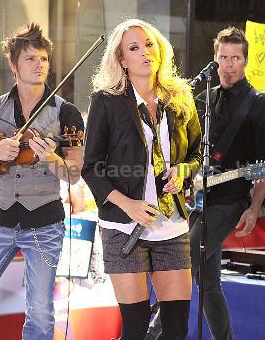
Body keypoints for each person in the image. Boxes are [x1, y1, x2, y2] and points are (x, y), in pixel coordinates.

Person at [81, 18, 202, 340]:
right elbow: (91, 167)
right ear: (122, 60)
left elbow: (196, 155)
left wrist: (184, 171)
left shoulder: (180, 97)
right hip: (123, 226)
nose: (145, 52)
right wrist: (128, 205)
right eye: (134, 48)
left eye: (149, 44)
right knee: (134, 329)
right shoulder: (106, 102)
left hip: (171, 223)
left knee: (176, 330)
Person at [0, 23, 84, 339]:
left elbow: (75, 173)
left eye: (43, 59)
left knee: (40, 312)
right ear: (14, 65)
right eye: (30, 59)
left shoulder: (67, 114)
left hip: (44, 224)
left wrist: (52, 159)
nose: (39, 65)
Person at [190, 27, 265, 339]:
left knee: (184, 261)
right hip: (197, 199)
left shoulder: (258, 104)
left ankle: (153, 332)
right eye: (223, 57)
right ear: (215, 59)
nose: (228, 64)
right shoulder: (202, 100)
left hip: (230, 200)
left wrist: (254, 208)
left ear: (245, 60)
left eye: (235, 58)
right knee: (207, 281)